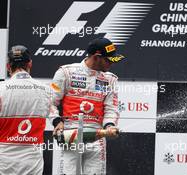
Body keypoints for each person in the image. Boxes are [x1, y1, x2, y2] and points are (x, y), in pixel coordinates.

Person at [51, 37, 124, 175]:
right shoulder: (66, 72)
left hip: (97, 137)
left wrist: (109, 126)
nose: (111, 63)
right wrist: (57, 121)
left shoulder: (110, 79)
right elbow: (50, 102)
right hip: (70, 135)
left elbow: (111, 108)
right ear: (97, 57)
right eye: (108, 60)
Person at [0, 45, 57, 175]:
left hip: (3, 160)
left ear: (8, 66)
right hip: (31, 161)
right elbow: (55, 116)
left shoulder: (1, 89)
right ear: (30, 64)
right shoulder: (46, 90)